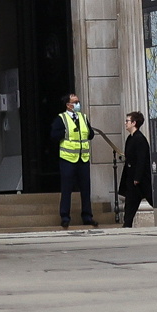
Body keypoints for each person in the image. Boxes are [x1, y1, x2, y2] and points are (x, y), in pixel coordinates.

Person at [50, 91, 95, 228]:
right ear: (68, 105)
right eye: (75, 102)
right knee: (67, 188)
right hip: (68, 158)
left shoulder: (83, 117)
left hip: (83, 158)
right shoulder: (61, 118)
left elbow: (90, 134)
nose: (77, 104)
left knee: (86, 188)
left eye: (78, 102)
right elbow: (53, 136)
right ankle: (65, 216)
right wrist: (65, 132)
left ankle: (87, 216)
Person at [116, 111, 154, 227]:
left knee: (152, 198)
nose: (125, 123)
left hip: (140, 177)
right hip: (132, 177)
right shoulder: (130, 138)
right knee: (131, 201)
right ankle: (127, 224)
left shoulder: (140, 139)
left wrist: (137, 177)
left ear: (134, 123)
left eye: (127, 121)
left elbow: (142, 160)